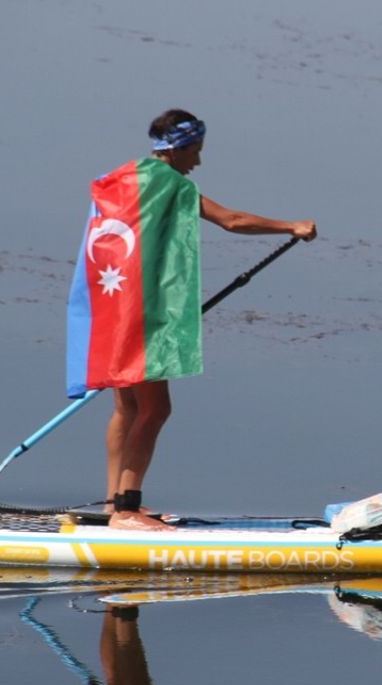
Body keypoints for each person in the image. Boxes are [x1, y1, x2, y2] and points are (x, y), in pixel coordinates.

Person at [67, 108, 317, 531]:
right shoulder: (172, 184)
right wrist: (291, 226)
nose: (198, 161)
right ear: (177, 148)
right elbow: (232, 220)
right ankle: (126, 511)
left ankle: (113, 503)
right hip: (141, 313)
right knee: (156, 408)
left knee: (127, 407)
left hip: (111, 306)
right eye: (195, 151)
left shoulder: (123, 178)